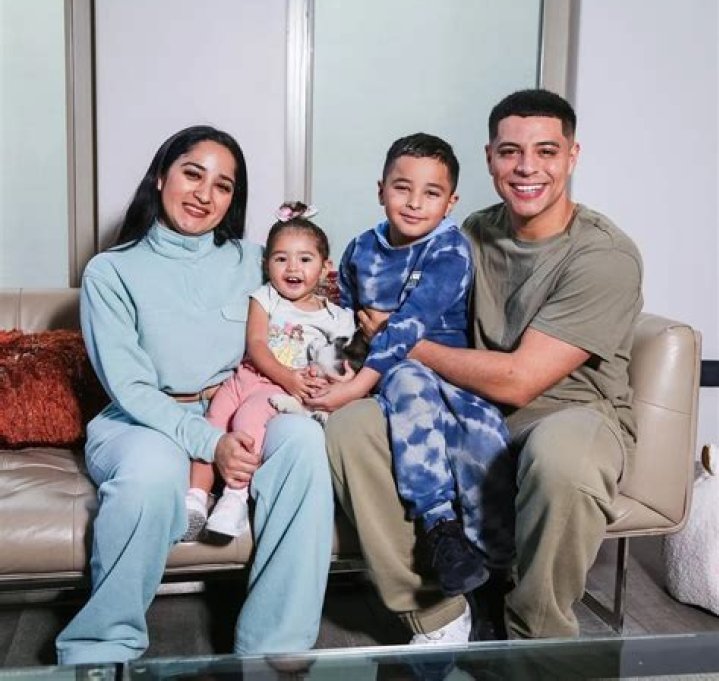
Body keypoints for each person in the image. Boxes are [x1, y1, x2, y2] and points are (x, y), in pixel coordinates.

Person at [324, 89, 643, 644]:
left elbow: (521, 380)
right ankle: (437, 617)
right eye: (510, 151)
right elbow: (396, 286)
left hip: (571, 411)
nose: (527, 167)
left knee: (563, 458)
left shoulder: (603, 255)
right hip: (467, 399)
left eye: (546, 151)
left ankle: (535, 638)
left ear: (572, 156)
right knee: (352, 427)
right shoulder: (470, 232)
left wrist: (399, 340)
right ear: (490, 158)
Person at [55, 126, 334, 664]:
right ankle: (99, 653)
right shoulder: (110, 271)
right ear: (161, 177)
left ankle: (275, 654)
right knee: (150, 475)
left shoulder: (256, 260)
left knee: (302, 441)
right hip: (143, 419)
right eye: (192, 174)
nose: (205, 194)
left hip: (242, 407)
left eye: (223, 186)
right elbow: (131, 387)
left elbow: (310, 296)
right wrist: (210, 443)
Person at [306, 133, 515, 601]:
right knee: (401, 377)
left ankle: (492, 575)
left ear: (451, 202)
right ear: (381, 190)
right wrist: (341, 370)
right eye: (402, 188)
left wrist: (354, 387)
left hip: (450, 376)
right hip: (388, 376)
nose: (415, 203)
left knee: (482, 439)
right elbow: (349, 323)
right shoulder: (361, 249)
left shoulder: (450, 251)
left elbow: (406, 328)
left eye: (431, 193)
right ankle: (440, 526)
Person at [183, 212, 355, 541]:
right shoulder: (264, 297)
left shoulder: (338, 318)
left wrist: (322, 381)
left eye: (305, 259)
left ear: (325, 267)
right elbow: (257, 344)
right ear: (267, 264)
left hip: (277, 390)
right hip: (246, 377)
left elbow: (341, 365)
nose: (292, 268)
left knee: (248, 420)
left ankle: (235, 497)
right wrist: (286, 374)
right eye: (281, 259)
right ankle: (196, 498)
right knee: (211, 425)